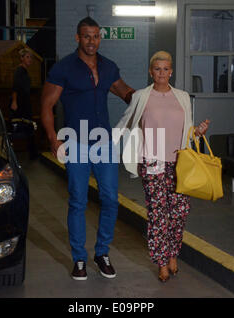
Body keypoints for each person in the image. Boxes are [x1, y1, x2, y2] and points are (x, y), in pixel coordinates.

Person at [40, 17, 135, 280]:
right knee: (78, 202)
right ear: (77, 38)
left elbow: (127, 93)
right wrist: (53, 138)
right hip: (77, 143)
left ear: (99, 38)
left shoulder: (108, 67)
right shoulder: (64, 68)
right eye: (86, 36)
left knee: (110, 200)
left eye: (95, 36)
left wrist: (155, 98)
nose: (91, 41)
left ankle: (102, 252)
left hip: (104, 143)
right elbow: (46, 105)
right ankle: (79, 259)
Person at [115, 51, 210, 282]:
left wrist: (197, 132)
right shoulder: (140, 96)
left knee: (179, 213)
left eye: (166, 69)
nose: (162, 73)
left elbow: (187, 129)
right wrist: (110, 143)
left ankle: (173, 253)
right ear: (151, 72)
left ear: (171, 71)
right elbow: (125, 121)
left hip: (181, 162)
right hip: (153, 162)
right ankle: (161, 263)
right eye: (157, 69)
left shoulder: (183, 97)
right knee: (158, 214)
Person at [10, 48, 38, 160]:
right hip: (20, 103)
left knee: (29, 127)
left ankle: (33, 153)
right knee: (19, 127)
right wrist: (14, 101)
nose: (30, 59)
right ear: (21, 58)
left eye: (30, 57)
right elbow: (15, 87)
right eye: (27, 57)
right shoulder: (19, 71)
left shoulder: (25, 71)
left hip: (25, 102)